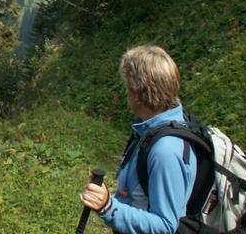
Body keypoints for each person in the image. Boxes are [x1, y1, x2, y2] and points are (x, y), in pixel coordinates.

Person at [79, 45, 197, 234]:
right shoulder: (152, 127)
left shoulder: (165, 151)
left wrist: (108, 207)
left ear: (137, 95)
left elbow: (165, 226)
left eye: (127, 87)